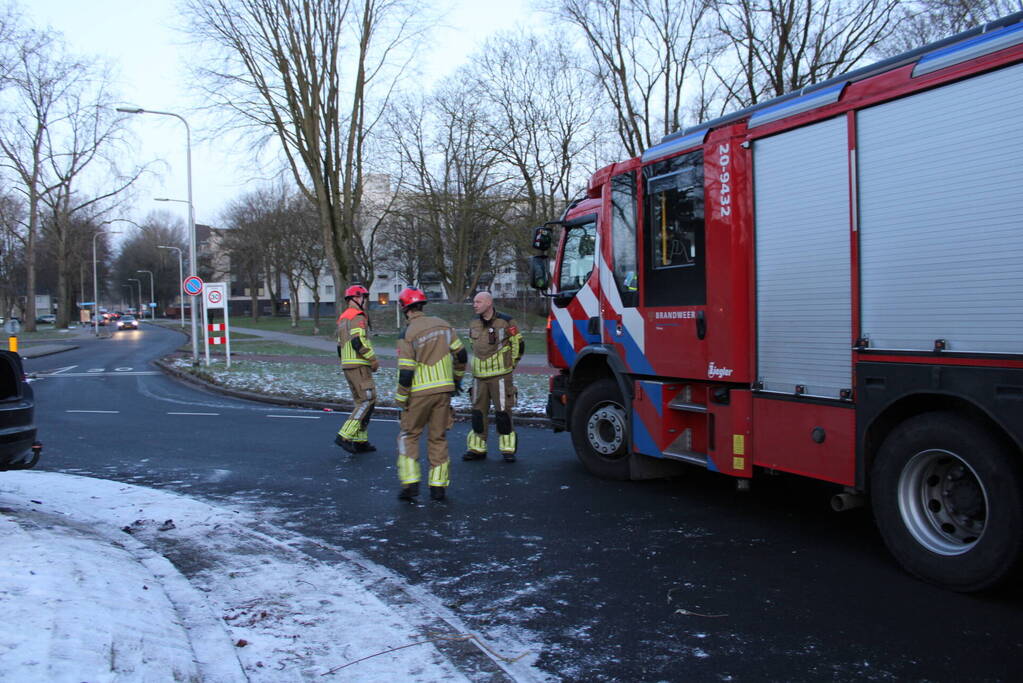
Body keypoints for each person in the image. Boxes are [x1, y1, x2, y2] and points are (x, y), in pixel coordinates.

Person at [394, 287, 467, 502]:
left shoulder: (407, 333)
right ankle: (438, 487)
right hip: (443, 391)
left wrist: (401, 397)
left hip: (419, 393)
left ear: (405, 309)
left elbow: (406, 372)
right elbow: (461, 354)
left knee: (409, 435)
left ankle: (410, 483)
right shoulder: (444, 325)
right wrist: (456, 379)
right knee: (438, 437)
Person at [463, 291, 524, 463]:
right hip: (478, 377)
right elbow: (472, 344)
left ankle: (507, 450)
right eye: (474, 301)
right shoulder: (474, 322)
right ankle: (477, 448)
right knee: (477, 413)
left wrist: (511, 364)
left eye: (478, 302)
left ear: (489, 303)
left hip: (501, 377)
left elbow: (518, 343)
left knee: (503, 413)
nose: (474, 304)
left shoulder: (506, 321)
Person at [335, 284, 379, 453]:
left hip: (348, 365)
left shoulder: (343, 318)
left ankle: (361, 441)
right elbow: (357, 341)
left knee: (362, 402)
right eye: (363, 297)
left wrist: (344, 362)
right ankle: (344, 436)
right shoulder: (358, 316)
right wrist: (372, 359)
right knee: (367, 399)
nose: (364, 301)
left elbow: (340, 345)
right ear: (355, 299)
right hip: (359, 364)